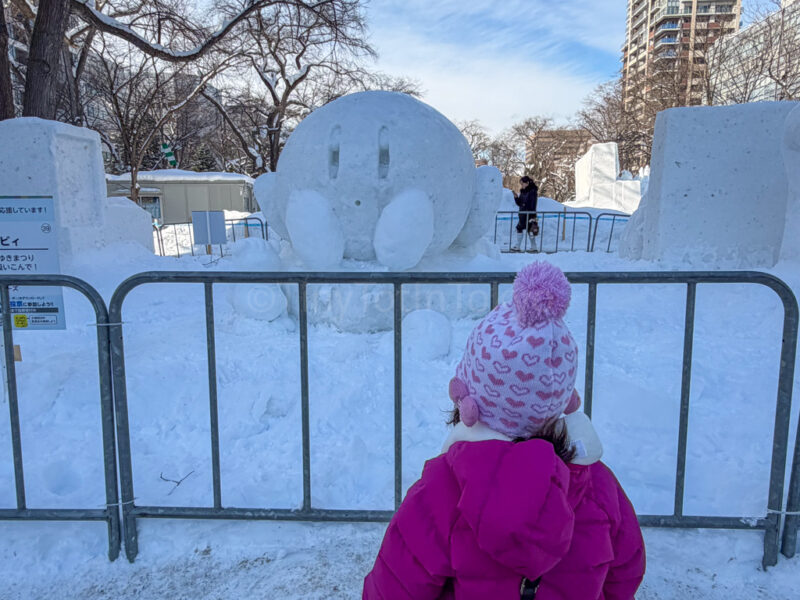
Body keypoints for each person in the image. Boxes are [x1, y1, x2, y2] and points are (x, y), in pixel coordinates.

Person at [363, 262, 645, 599]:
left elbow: (394, 588)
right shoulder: (598, 485)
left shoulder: (442, 490)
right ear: (562, 401)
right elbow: (625, 573)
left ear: (469, 404)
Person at [511, 176, 539, 252]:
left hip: (529, 214)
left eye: (522, 183)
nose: (521, 185)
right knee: (523, 229)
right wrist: (516, 197)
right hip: (523, 214)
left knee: (529, 229)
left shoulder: (532, 191)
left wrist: (532, 215)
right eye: (521, 183)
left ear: (527, 183)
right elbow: (519, 203)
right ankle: (532, 247)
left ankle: (522, 246)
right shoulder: (523, 191)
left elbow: (533, 204)